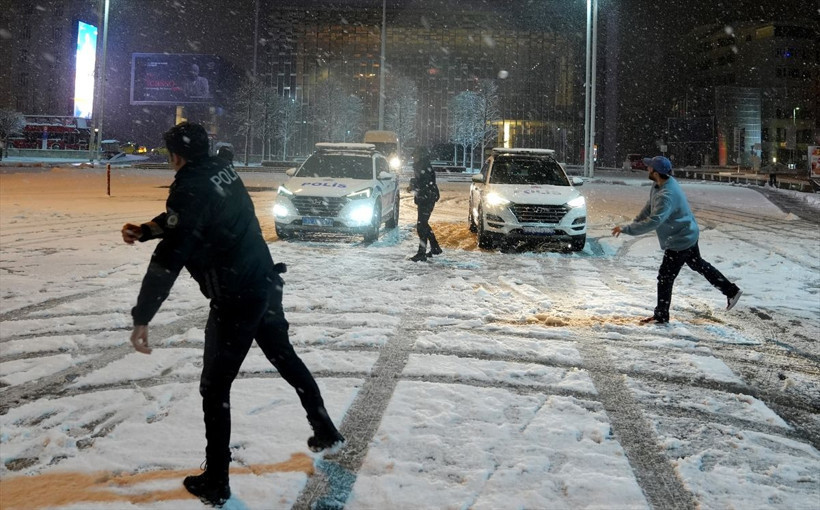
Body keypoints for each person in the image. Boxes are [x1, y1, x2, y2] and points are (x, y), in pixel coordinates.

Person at [122, 122, 343, 506]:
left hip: (236, 296)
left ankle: (217, 480)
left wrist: (143, 315)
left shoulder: (191, 186)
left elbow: (172, 254)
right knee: (285, 358)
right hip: (264, 283)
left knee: (215, 389)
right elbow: (187, 221)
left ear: (176, 155)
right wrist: (146, 230)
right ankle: (324, 428)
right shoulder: (221, 170)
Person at [611, 155, 742, 324]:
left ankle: (661, 316)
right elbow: (650, 206)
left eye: (650, 167)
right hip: (687, 232)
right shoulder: (660, 184)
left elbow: (654, 220)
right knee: (697, 264)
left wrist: (628, 229)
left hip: (680, 240)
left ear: (656, 172)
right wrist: (636, 221)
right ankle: (731, 291)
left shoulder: (667, 195)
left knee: (665, 277)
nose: (647, 168)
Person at [408, 146, 442, 261]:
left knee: (421, 226)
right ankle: (434, 247)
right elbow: (422, 182)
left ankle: (422, 252)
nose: (414, 158)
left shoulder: (424, 167)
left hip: (427, 198)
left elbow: (425, 184)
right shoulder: (421, 166)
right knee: (423, 224)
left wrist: (414, 185)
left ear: (420, 156)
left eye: (415, 156)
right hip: (426, 198)